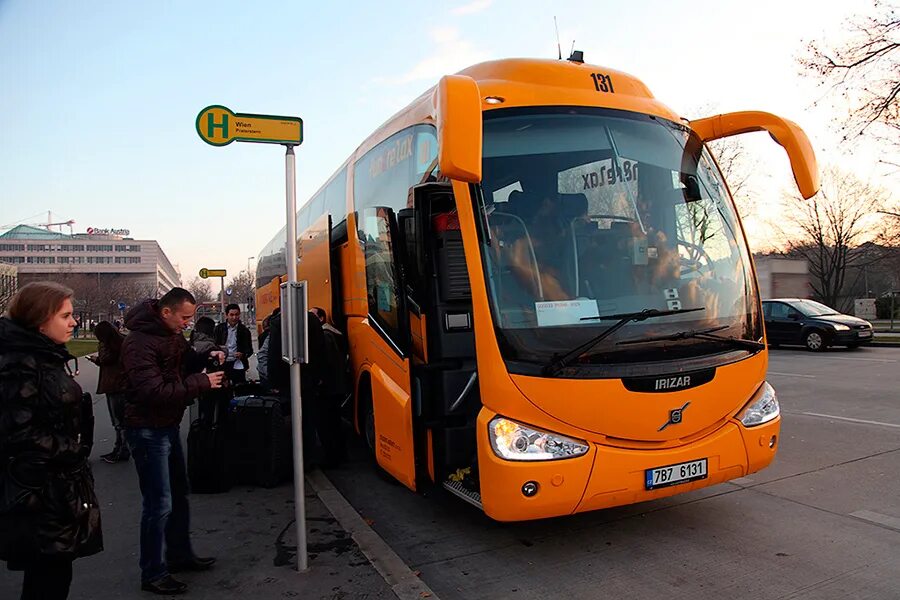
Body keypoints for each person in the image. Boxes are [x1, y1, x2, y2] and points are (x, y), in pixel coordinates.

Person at [0, 281, 103, 600]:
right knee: (48, 576)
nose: (74, 322)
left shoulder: (43, 357)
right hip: (41, 492)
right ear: (40, 319)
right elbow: (19, 433)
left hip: (54, 488)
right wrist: (73, 450)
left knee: (53, 572)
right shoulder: (21, 363)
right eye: (66, 315)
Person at [121, 288, 225, 595]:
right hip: (146, 429)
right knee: (158, 504)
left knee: (178, 495)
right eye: (185, 317)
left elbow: (186, 361)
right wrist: (201, 382)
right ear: (166, 312)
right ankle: (152, 572)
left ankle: (178, 556)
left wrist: (207, 357)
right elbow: (151, 391)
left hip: (165, 425)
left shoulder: (170, 335)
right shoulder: (138, 343)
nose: (188, 324)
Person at [267, 308, 326, 467]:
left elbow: (273, 354)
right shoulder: (312, 320)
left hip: (288, 380)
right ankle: (309, 457)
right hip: (309, 379)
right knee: (309, 418)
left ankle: (292, 458)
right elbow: (321, 350)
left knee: (290, 418)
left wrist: (273, 382)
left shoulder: (279, 322)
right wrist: (319, 376)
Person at [87, 320, 131, 464]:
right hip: (120, 384)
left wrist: (95, 358)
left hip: (114, 385)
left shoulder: (110, 346)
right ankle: (121, 448)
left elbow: (105, 359)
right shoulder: (122, 342)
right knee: (120, 419)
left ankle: (122, 449)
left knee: (118, 420)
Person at [311, 307, 349, 467]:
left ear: (320, 318)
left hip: (327, 390)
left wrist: (318, 381)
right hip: (335, 387)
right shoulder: (333, 334)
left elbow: (325, 363)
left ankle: (333, 459)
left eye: (312, 315)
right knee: (334, 423)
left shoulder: (325, 336)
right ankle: (338, 456)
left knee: (327, 425)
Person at [214, 304, 253, 385]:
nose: (234, 317)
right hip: (222, 363)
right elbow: (214, 345)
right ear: (226, 315)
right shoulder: (219, 329)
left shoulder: (244, 331)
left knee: (239, 387)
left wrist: (243, 354)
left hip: (238, 363)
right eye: (231, 315)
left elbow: (250, 350)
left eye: (236, 314)